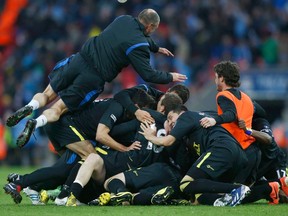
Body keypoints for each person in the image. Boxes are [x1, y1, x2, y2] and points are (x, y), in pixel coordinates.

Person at [6, 8, 187, 148]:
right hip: (93, 77)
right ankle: (35, 123)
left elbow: (137, 37)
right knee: (59, 108)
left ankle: (30, 106)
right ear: (151, 27)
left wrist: (155, 47)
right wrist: (170, 76)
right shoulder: (139, 44)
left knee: (47, 93)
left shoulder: (123, 19)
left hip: (79, 59)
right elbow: (149, 74)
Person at [3, 89, 155, 204]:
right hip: (67, 126)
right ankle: (27, 183)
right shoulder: (118, 107)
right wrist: (125, 149)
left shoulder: (122, 111)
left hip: (67, 127)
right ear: (136, 107)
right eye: (146, 111)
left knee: (67, 169)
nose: (147, 115)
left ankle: (32, 186)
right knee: (89, 159)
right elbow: (101, 135)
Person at [140, 105, 251, 206]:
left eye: (170, 118)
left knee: (185, 184)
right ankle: (224, 200)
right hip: (238, 155)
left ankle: (238, 188)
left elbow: (167, 141)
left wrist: (150, 137)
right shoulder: (194, 128)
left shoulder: (186, 116)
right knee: (199, 195)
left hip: (220, 148)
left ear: (180, 113)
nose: (169, 122)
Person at [199, 61, 260, 186]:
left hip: (237, 152)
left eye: (216, 77)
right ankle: (272, 187)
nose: (215, 80)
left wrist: (214, 120)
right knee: (243, 192)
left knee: (224, 190)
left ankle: (269, 189)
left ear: (222, 78)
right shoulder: (246, 97)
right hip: (252, 151)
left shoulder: (223, 95)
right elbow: (262, 113)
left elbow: (231, 114)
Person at [113, 83, 190, 123]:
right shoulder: (146, 91)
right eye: (171, 96)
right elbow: (120, 95)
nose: (171, 100)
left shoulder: (170, 121)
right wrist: (136, 111)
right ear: (167, 91)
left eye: (175, 102)